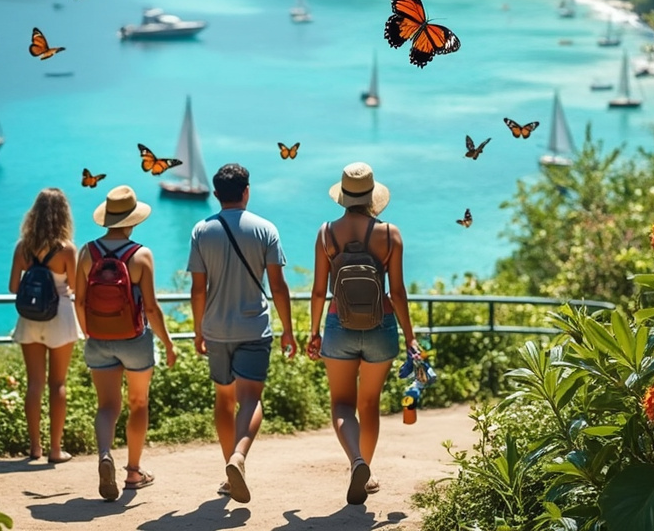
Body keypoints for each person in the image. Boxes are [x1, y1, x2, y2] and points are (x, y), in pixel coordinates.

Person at [306, 162, 418, 505]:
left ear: (342, 196)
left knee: (342, 404)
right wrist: (410, 337)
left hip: (338, 326)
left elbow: (317, 291)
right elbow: (397, 292)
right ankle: (365, 468)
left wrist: (313, 333)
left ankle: (355, 461)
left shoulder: (326, 233)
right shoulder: (390, 234)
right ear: (372, 196)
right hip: (381, 327)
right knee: (369, 404)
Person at [188, 163, 297, 504]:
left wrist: (197, 329)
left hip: (216, 329)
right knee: (250, 398)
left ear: (217, 194)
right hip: (254, 327)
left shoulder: (201, 231)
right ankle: (239, 456)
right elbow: (278, 287)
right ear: (247, 190)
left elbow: (197, 289)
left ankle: (228, 470)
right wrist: (289, 331)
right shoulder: (266, 230)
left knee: (224, 398)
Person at [73, 185, 177, 501]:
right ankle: (133, 471)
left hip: (99, 340)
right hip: (135, 340)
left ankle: (106, 454)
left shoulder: (86, 252)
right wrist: (168, 343)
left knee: (106, 405)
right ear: (132, 220)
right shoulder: (141, 255)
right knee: (138, 403)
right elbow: (151, 308)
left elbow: (79, 300)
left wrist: (89, 333)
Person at [8, 188, 80, 464]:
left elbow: (14, 286)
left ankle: (35, 448)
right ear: (63, 215)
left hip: (29, 317)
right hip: (60, 316)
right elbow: (74, 287)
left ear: (34, 214)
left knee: (34, 383)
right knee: (58, 383)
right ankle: (55, 450)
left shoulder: (22, 246)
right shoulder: (67, 249)